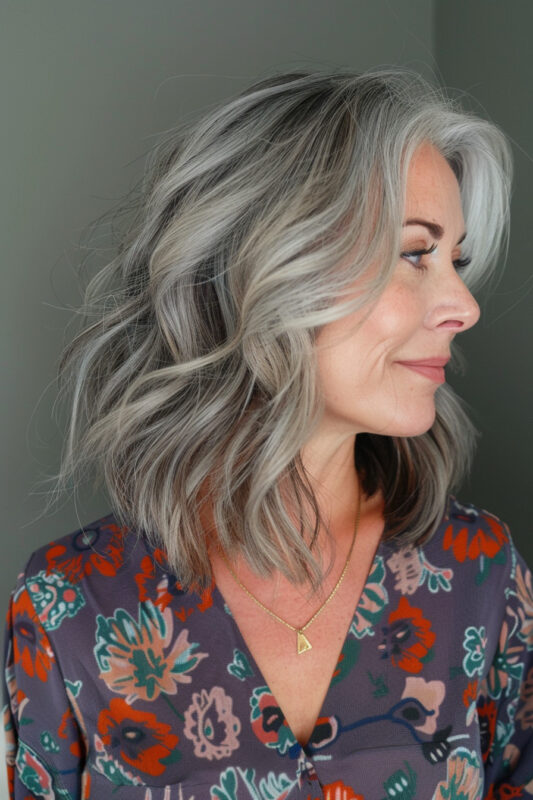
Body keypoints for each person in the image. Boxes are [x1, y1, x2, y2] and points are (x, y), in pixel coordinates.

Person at [2, 67, 532, 800]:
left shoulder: (480, 575)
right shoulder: (68, 604)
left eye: (456, 260)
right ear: (271, 263)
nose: (462, 306)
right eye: (415, 252)